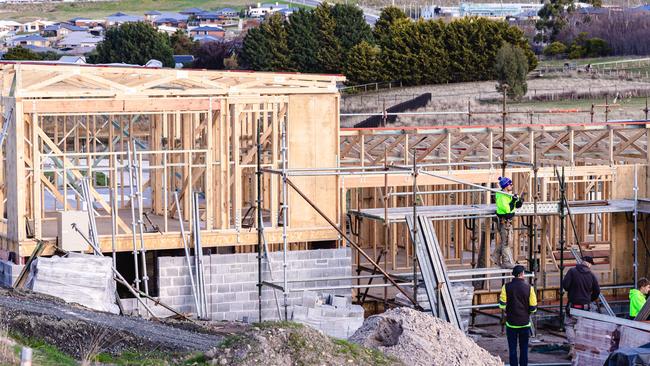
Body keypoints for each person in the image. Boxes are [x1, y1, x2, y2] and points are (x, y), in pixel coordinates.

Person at [561, 256, 600, 357]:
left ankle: (573, 346)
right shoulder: (591, 275)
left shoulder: (572, 272)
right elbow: (597, 291)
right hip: (585, 306)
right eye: (591, 264)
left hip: (573, 305)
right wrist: (589, 299)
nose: (591, 266)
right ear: (587, 263)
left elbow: (565, 285)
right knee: (582, 327)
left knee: (569, 325)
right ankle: (581, 349)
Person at [499, 265, 537, 366]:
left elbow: (501, 305)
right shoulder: (530, 288)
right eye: (524, 273)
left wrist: (508, 310)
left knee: (512, 350)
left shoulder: (506, 287)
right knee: (524, 349)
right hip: (524, 324)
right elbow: (533, 308)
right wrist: (527, 312)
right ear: (521, 274)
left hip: (511, 324)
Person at [493, 176, 523, 268]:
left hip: (506, 221)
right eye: (510, 184)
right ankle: (506, 261)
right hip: (504, 221)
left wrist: (519, 201)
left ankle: (495, 258)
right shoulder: (501, 196)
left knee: (504, 241)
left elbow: (515, 206)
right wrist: (513, 201)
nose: (512, 185)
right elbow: (507, 210)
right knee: (506, 243)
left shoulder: (507, 195)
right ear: (506, 186)